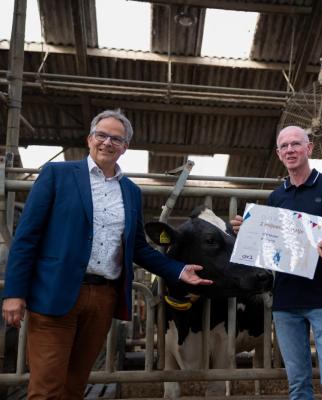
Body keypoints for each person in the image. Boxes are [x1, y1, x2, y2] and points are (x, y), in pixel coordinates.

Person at [1, 109, 213, 399]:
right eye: (101, 135)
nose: (107, 142)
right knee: (47, 388)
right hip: (55, 292)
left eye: (117, 138)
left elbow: (137, 246)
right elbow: (27, 237)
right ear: (89, 138)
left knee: (75, 386)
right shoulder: (57, 174)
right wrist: (14, 292)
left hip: (102, 298)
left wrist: (177, 269)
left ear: (125, 147)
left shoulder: (131, 192)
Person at [231, 126, 322, 399]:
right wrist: (249, 233)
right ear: (279, 154)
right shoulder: (276, 198)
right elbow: (269, 249)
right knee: (298, 384)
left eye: (295, 144)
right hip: (286, 301)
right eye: (284, 146)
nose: (290, 150)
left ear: (309, 148)